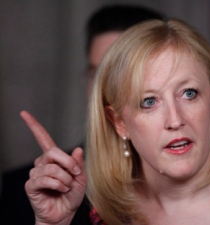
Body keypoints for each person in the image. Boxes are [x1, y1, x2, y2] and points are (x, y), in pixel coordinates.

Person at [22, 18, 210, 225]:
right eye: (149, 101)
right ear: (119, 122)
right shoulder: (79, 210)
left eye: (189, 93)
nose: (175, 120)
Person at [0, 5, 164, 225]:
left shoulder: (204, 188)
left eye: (122, 74)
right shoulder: (26, 190)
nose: (104, 90)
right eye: (97, 74)